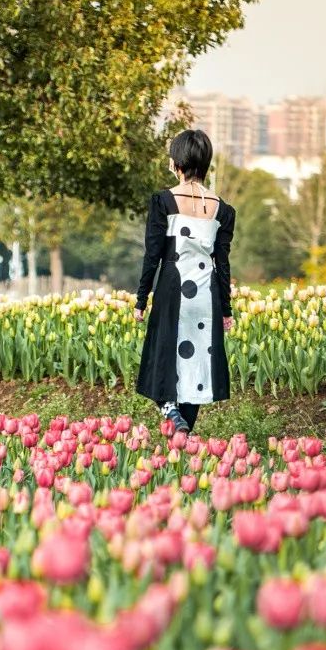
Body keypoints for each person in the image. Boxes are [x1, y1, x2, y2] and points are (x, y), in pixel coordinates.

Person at [134, 128, 236, 435]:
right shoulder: (223, 210)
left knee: (159, 360)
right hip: (206, 297)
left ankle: (168, 409)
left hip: (172, 292)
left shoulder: (163, 201)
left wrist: (141, 300)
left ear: (177, 163)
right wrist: (226, 310)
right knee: (195, 369)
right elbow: (223, 264)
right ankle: (182, 437)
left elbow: (153, 256)